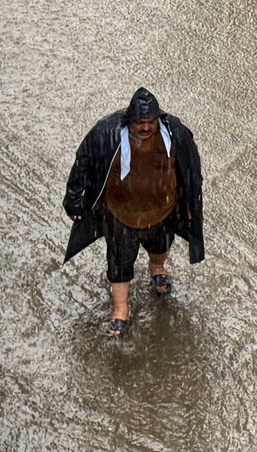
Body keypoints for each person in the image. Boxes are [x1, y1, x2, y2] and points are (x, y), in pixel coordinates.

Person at [62, 87, 205, 337]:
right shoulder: (106, 133)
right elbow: (82, 163)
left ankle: (157, 269)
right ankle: (120, 309)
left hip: (162, 212)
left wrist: (193, 205)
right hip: (120, 215)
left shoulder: (176, 133)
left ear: (159, 118)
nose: (146, 127)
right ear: (130, 119)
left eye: (151, 122)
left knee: (161, 248)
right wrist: (74, 201)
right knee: (119, 262)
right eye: (140, 122)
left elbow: (193, 170)